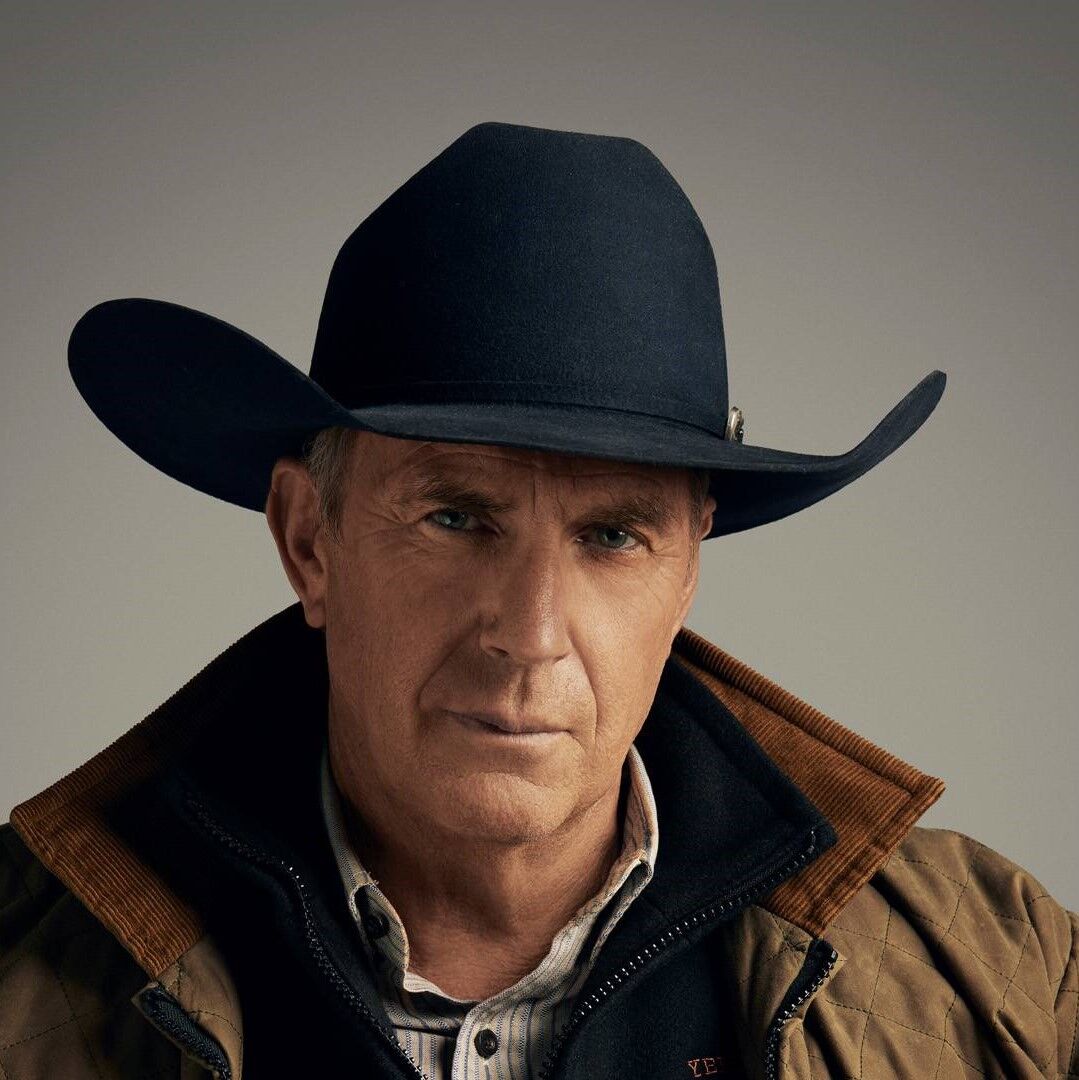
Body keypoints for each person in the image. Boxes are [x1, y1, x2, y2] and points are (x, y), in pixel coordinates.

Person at [1, 121, 1075, 1080]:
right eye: (455, 518)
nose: (529, 634)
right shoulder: (24, 963)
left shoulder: (1004, 974)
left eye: (612, 536)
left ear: (685, 572)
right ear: (308, 539)